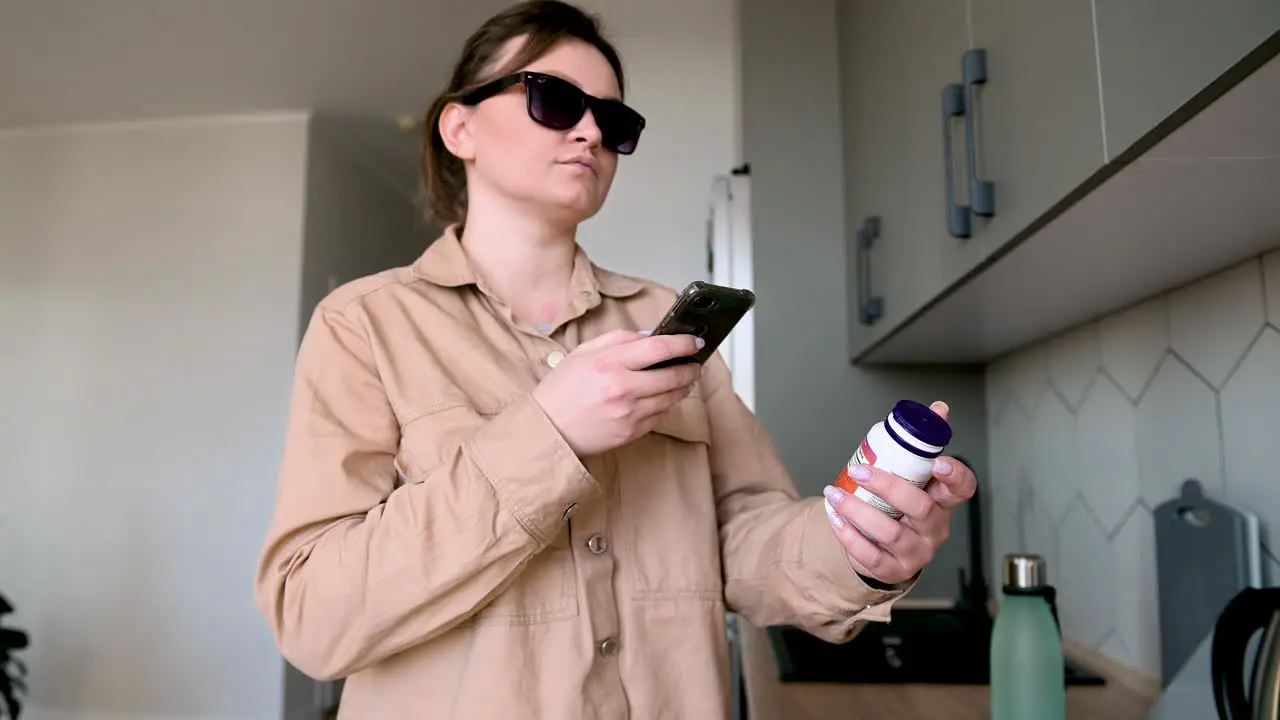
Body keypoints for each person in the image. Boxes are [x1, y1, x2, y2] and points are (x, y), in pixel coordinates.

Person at [253, 1, 979, 718]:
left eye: (616, 121)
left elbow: (745, 541)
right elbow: (313, 614)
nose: (592, 130)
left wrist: (860, 547)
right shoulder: (364, 325)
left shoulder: (666, 323)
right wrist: (549, 433)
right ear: (459, 126)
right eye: (555, 100)